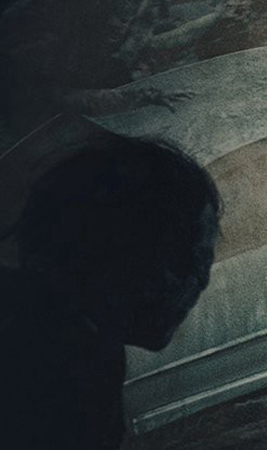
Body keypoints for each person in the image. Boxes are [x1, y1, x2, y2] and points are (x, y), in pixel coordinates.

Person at [0, 134, 221, 450]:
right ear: (124, 247)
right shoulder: (56, 366)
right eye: (187, 260)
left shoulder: (82, 342)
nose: (200, 281)